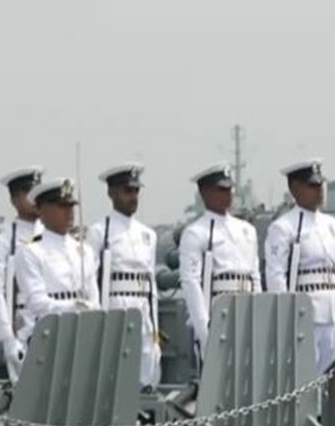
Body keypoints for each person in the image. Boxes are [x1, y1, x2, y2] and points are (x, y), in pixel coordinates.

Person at [264, 157, 335, 370]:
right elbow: (276, 276)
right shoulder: (284, 227)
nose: (319, 190)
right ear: (295, 188)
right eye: (312, 185)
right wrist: (287, 318)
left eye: (321, 185)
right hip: (304, 313)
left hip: (331, 312)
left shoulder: (333, 225)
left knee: (332, 380)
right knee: (305, 378)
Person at [85, 163, 161, 389]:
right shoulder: (100, 232)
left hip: (143, 306)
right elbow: (90, 280)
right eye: (127, 191)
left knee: (147, 366)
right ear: (112, 193)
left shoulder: (148, 234)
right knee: (115, 369)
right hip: (115, 302)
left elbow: (152, 286)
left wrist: (156, 328)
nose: (133, 197)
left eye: (136, 191)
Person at [178, 163, 261, 367]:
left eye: (229, 189)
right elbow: (191, 284)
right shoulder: (196, 233)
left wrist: (261, 316)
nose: (228, 194)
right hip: (218, 313)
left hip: (247, 310)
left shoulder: (247, 230)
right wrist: (204, 330)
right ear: (205, 192)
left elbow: (255, 277)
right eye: (221, 189)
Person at [14, 176, 100, 358]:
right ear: (41, 209)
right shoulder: (30, 251)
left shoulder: (85, 250)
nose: (69, 212)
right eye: (61, 206)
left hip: (82, 335)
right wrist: (73, 306)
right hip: (49, 336)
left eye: (71, 206)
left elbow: (95, 300)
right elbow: (37, 304)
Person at [0, 165, 42, 382]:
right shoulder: (4, 242)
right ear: (15, 199)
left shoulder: (51, 237)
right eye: (29, 192)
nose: (35, 198)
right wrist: (7, 338)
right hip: (21, 322)